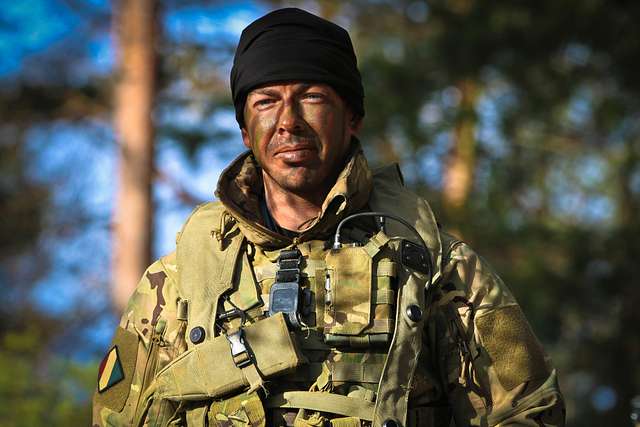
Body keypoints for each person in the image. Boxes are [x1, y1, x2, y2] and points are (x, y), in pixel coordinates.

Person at [93, 7, 565, 427]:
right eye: (265, 101)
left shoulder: (432, 262)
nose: (288, 121)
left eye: (312, 97)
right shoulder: (176, 283)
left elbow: (527, 410)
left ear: (352, 117)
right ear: (243, 130)